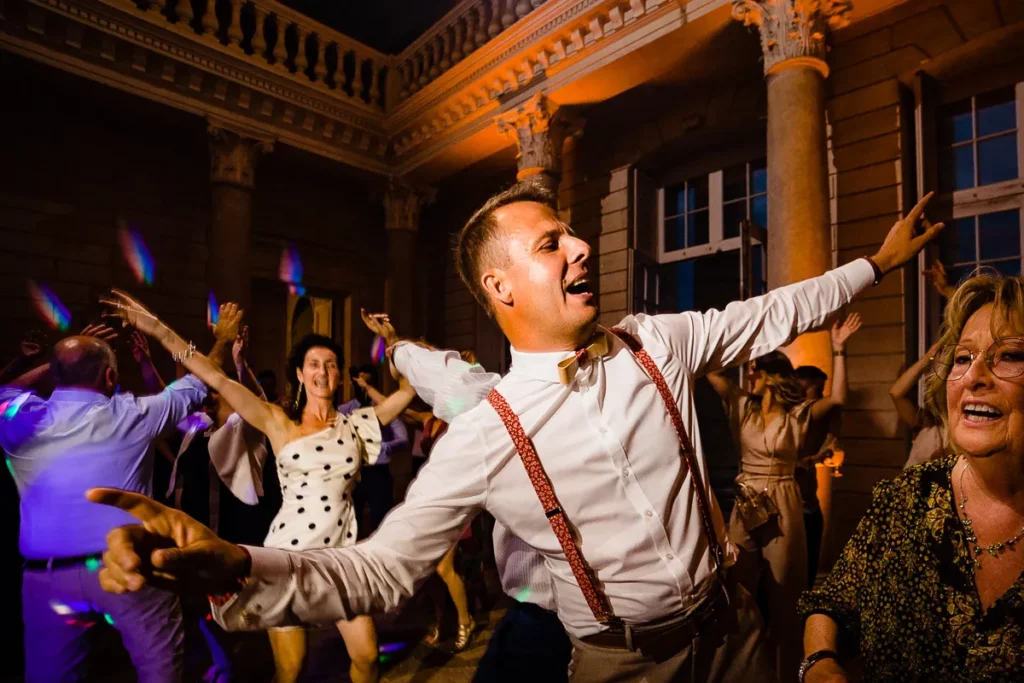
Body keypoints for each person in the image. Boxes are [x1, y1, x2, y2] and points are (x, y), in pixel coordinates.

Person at [89, 183, 942, 683]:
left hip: (737, 635)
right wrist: (239, 566)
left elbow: (777, 309)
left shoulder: (658, 341)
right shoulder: (488, 429)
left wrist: (877, 262)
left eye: (572, 234)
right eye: (552, 242)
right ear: (500, 286)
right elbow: (379, 568)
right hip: (621, 666)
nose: (582, 246)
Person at [90, 297, 418, 683]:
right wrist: (158, 329)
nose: (323, 371)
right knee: (291, 670)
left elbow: (407, 390)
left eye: (331, 364)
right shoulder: (279, 422)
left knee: (367, 657)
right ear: (300, 374)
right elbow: (215, 378)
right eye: (314, 364)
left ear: (340, 376)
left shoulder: (358, 423)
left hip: (340, 558)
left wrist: (393, 341)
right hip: (288, 559)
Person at [798, 270, 1024, 682]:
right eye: (962, 358)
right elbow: (832, 601)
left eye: (1009, 355)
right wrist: (819, 663)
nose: (973, 376)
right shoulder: (905, 498)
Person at [359, 311, 572, 679]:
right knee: (441, 569)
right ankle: (451, 618)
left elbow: (449, 380)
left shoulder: (478, 411)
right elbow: (436, 379)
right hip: (457, 501)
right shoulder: (450, 413)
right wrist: (396, 348)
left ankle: (463, 619)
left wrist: (398, 348)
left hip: (547, 602)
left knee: (447, 567)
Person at [1, 324, 209, 683]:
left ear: (56, 374)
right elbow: (198, 382)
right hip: (127, 566)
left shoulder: (20, 420)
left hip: (48, 576)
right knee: (160, 672)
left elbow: (6, 389)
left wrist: (59, 363)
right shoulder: (131, 414)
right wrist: (221, 341)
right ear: (110, 376)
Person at [706, 314, 860, 682]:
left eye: (756, 371)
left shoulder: (798, 413)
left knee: (786, 593)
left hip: (783, 499)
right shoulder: (742, 406)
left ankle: (789, 672)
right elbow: (712, 373)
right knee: (739, 590)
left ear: (772, 376)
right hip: (746, 501)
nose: (750, 376)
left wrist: (838, 349)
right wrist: (745, 344)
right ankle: (744, 670)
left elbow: (838, 397)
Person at [890, 261, 957, 470]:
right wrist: (928, 358)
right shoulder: (925, 422)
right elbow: (896, 393)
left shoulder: (965, 427)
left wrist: (949, 293)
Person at [342, 363, 409, 538]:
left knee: (381, 523)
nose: (363, 388)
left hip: (378, 472)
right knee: (350, 524)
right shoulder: (344, 410)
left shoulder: (386, 410)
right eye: (359, 384)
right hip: (352, 473)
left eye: (367, 384)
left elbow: (403, 439)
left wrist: (383, 447)